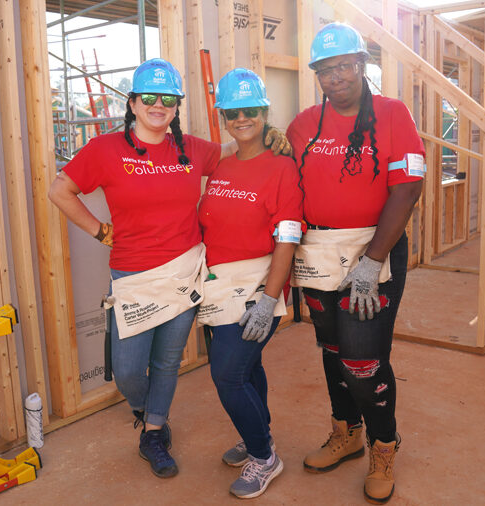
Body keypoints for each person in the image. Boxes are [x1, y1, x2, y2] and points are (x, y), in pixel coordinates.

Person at [48, 59, 290, 479]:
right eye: (149, 98)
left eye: (168, 99)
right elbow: (60, 189)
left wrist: (272, 135)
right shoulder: (106, 149)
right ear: (133, 102)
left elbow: (238, 148)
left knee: (166, 363)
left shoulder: (192, 150)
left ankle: (154, 431)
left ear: (176, 106)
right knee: (127, 369)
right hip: (133, 274)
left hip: (184, 271)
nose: (158, 106)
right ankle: (147, 409)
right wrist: (99, 230)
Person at [285, 23, 425, 505]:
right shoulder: (303, 124)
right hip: (318, 253)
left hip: (374, 253)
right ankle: (346, 433)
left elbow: (407, 188)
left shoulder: (391, 114)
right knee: (331, 350)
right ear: (317, 75)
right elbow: (286, 188)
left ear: (361, 65)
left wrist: (373, 261)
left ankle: (384, 444)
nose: (336, 77)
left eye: (344, 65)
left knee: (362, 359)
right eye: (326, 69)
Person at [196, 68, 302, 499]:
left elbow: (288, 236)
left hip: (257, 286)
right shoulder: (220, 163)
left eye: (251, 111)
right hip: (216, 286)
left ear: (264, 113)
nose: (242, 118)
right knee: (248, 367)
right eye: (233, 112)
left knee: (228, 373)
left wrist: (268, 298)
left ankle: (264, 456)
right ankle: (257, 431)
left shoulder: (282, 168)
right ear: (223, 116)